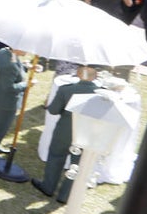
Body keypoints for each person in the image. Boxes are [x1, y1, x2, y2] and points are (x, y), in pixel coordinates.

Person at [33, 66, 100, 204]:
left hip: (64, 130)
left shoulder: (66, 89)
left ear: (78, 75)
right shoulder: (99, 94)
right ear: (95, 76)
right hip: (85, 133)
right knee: (77, 164)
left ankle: (48, 186)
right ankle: (66, 194)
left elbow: (53, 110)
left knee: (56, 157)